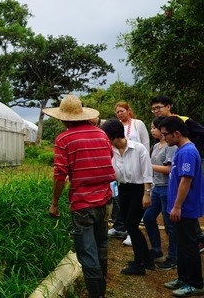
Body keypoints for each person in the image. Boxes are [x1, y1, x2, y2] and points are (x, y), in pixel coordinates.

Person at [44, 95, 115, 298]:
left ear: (64, 118)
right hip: (106, 200)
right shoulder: (101, 135)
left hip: (83, 203)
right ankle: (102, 290)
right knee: (102, 245)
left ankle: (96, 295)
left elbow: (59, 175)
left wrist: (55, 203)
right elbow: (106, 160)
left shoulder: (64, 139)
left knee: (87, 253)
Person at [151, 95, 204, 253]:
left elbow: (186, 180)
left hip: (185, 203)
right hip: (177, 195)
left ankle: (191, 275)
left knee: (187, 239)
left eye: (158, 107)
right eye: (153, 109)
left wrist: (177, 206)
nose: (156, 111)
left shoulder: (184, 125)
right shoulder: (175, 144)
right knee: (183, 237)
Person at [101, 119, 154, 275]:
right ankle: (145, 259)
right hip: (123, 189)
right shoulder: (111, 151)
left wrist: (146, 193)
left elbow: (147, 173)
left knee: (131, 225)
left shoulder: (138, 149)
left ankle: (140, 264)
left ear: (115, 135)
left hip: (139, 190)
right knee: (129, 224)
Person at [158, 116, 204, 296]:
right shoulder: (179, 149)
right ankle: (183, 277)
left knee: (189, 245)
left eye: (165, 135)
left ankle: (195, 282)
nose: (164, 138)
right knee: (182, 244)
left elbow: (186, 181)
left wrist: (177, 206)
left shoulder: (188, 152)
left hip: (186, 208)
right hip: (179, 207)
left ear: (176, 133)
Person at [109, 102, 151, 245]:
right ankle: (124, 230)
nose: (120, 114)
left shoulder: (137, 124)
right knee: (124, 213)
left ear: (129, 111)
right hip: (123, 178)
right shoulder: (113, 138)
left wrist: (147, 190)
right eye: (117, 112)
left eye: (122, 111)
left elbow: (145, 143)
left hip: (138, 170)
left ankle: (133, 237)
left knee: (133, 218)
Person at [142, 116, 178, 270]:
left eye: (154, 128)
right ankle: (157, 250)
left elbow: (169, 170)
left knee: (170, 224)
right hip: (157, 188)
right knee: (148, 217)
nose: (152, 131)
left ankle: (173, 257)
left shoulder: (171, 147)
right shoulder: (156, 146)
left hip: (167, 188)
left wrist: (148, 166)